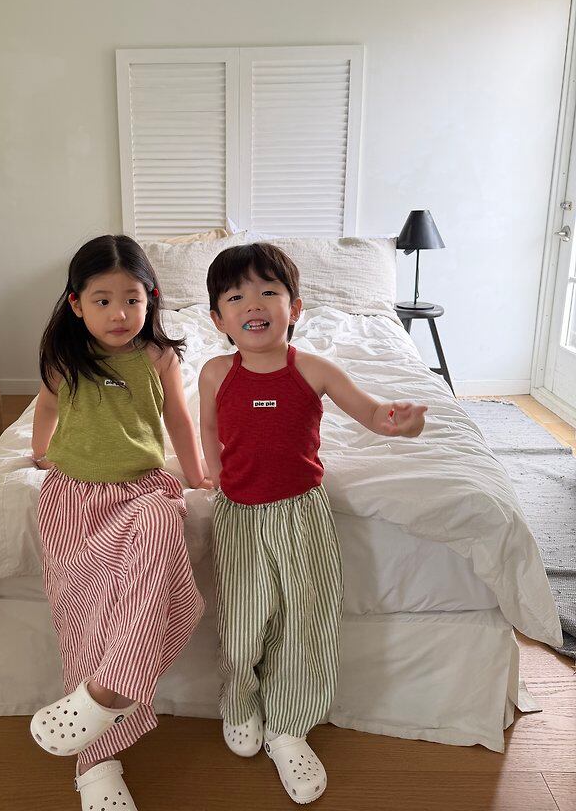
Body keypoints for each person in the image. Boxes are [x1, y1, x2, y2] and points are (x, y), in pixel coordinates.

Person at [199, 242, 427, 805]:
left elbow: (371, 413)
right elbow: (209, 428)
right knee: (244, 621)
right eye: (236, 296)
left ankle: (288, 727)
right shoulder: (215, 373)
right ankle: (239, 702)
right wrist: (214, 475)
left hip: (302, 513)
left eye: (268, 291)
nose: (254, 304)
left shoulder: (314, 369)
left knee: (306, 621)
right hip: (239, 516)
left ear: (294, 308)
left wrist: (399, 422)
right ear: (219, 319)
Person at [30, 234, 209, 811]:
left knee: (162, 518)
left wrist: (197, 476)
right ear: (76, 304)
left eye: (132, 299)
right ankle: (96, 764)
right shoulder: (66, 357)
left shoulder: (158, 357)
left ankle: (110, 690)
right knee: (87, 617)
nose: (119, 314)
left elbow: (179, 419)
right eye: (102, 301)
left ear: (150, 299)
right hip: (75, 499)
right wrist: (39, 452)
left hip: (142, 489)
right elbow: (47, 407)